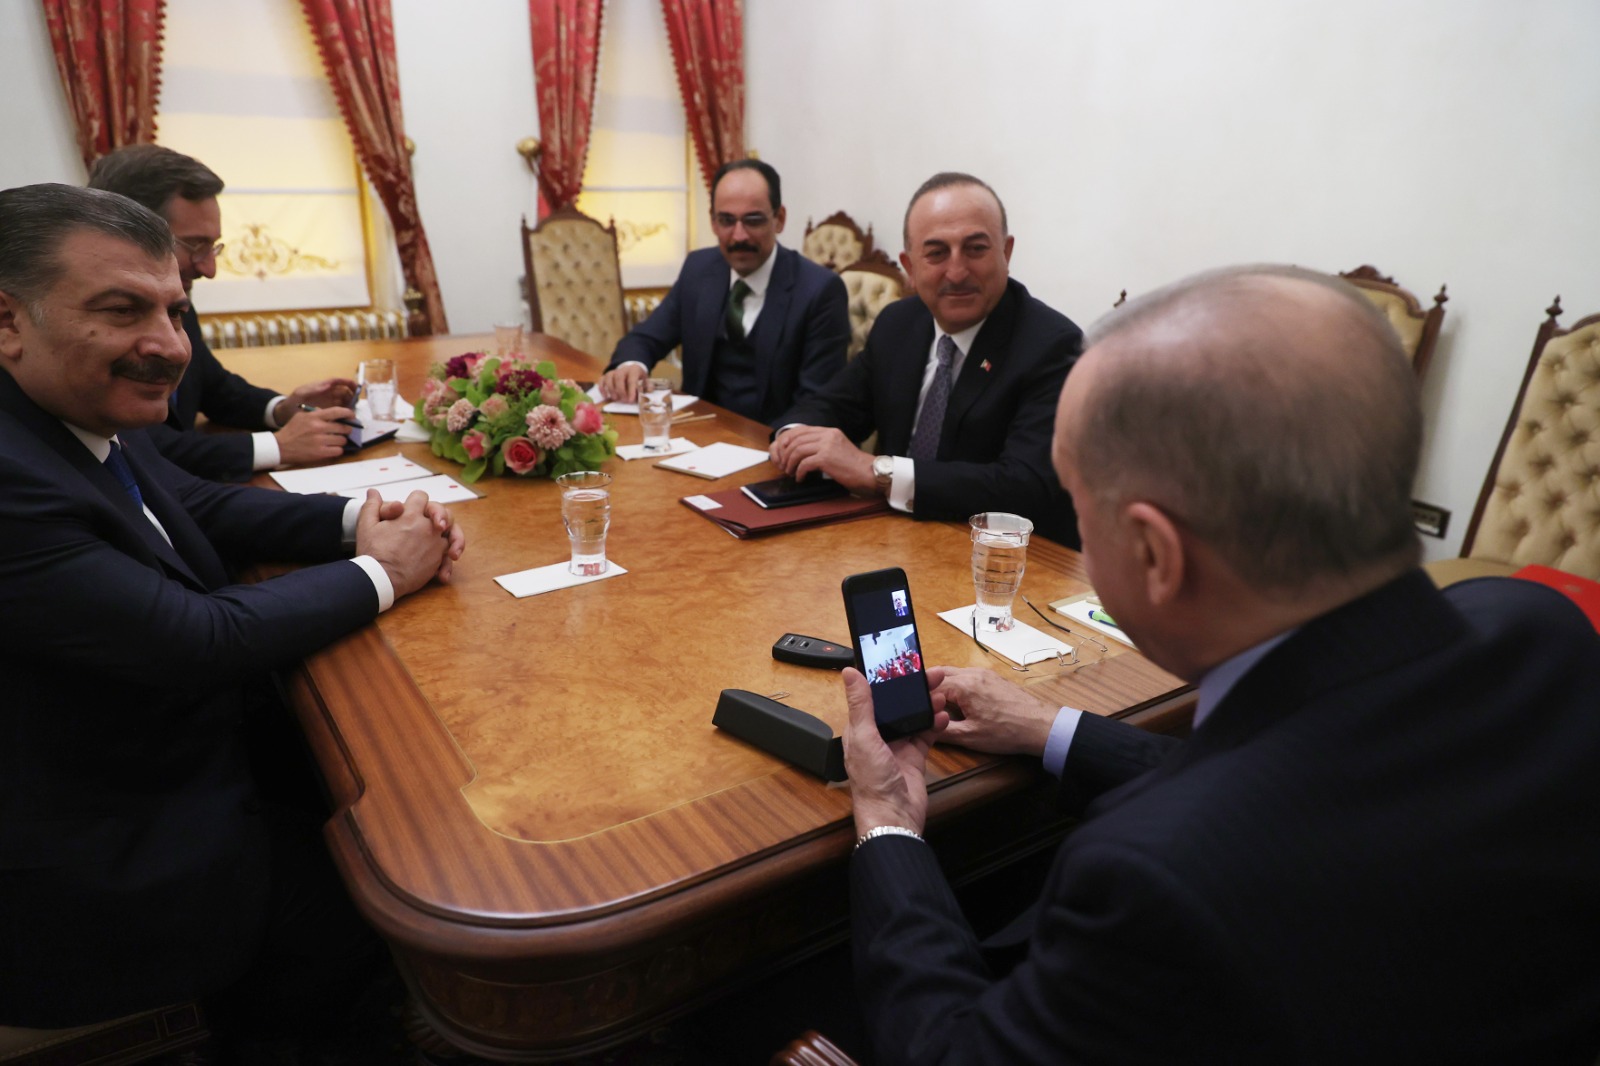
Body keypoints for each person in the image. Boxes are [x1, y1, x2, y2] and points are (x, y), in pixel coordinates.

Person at [840, 265, 1600, 1063]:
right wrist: (1052, 729)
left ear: (1155, 554)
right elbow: (1309, 775)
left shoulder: (1154, 879)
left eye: (1079, 511)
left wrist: (886, 822)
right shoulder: (1541, 632)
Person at [0, 183, 466, 1038]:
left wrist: (359, 517)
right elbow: (198, 639)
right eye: (123, 310)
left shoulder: (62, 410)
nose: (171, 347)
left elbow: (196, 503)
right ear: (7, 321)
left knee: (399, 783)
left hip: (153, 754)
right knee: (409, 894)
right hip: (101, 863)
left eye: (175, 312)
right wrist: (384, 571)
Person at [770, 173, 1082, 547]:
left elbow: (1022, 486)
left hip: (1000, 558)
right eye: (936, 253)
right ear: (910, 267)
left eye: (976, 249)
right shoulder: (898, 323)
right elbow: (831, 405)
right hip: (893, 539)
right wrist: (794, 438)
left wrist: (878, 473)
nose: (957, 272)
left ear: (1007, 252)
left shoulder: (1053, 346)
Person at [88, 144, 360, 481]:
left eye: (212, 247)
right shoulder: (93, 328)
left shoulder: (176, 304)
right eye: (195, 245)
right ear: (127, 233)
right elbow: (141, 447)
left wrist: (283, 409)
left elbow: (215, 388)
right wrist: (278, 446)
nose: (210, 269)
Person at [598, 159, 849, 427]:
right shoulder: (699, 269)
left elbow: (817, 402)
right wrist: (631, 366)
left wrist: (781, 441)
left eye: (753, 220)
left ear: (779, 219)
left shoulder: (820, 291)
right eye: (726, 220)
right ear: (713, 222)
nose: (739, 236)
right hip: (698, 433)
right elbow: (647, 337)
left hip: (775, 442)